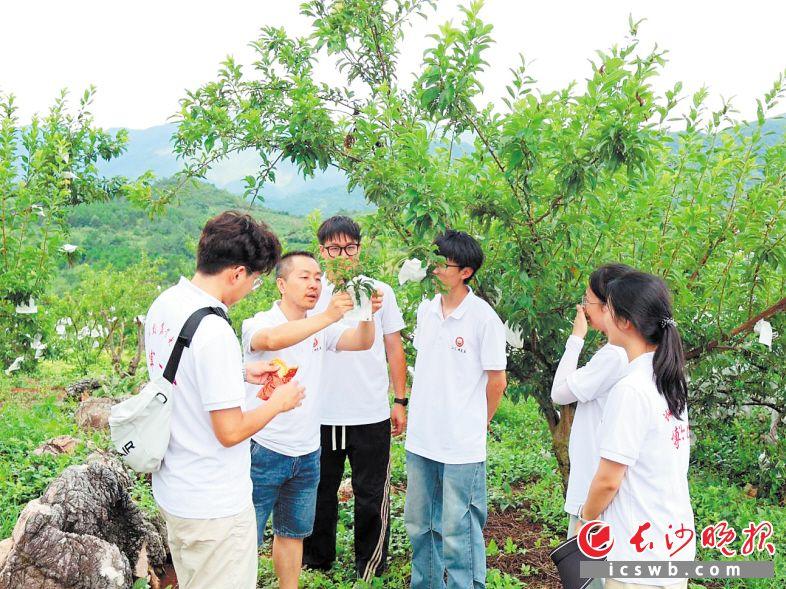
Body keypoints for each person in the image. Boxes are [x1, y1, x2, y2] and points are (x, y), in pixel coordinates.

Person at [144, 211, 305, 589]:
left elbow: (181, 375)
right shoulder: (214, 331)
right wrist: (278, 402)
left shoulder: (166, 304)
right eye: (254, 279)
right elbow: (230, 431)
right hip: (213, 505)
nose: (251, 288)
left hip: (175, 489)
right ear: (236, 273)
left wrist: (239, 373)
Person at [241, 251, 383, 589]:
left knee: (293, 534)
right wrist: (330, 315)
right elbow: (272, 340)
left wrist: (366, 314)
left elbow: (361, 342)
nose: (314, 284)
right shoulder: (259, 322)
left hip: (307, 452)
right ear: (281, 284)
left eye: (318, 278)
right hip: (264, 449)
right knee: (245, 537)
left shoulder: (321, 326)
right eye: (304, 277)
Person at [303, 216, 408, 581]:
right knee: (320, 491)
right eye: (334, 248)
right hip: (322, 412)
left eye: (349, 247)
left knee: (371, 494)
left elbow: (394, 347)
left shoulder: (379, 292)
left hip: (369, 411)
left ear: (359, 249)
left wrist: (400, 400)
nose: (342, 255)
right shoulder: (313, 295)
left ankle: (371, 567)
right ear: (322, 251)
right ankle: (317, 562)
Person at [404, 229, 507, 589]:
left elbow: (497, 382)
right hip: (421, 438)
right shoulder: (427, 309)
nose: (434, 269)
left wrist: (478, 422)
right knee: (419, 525)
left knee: (458, 529)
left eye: (443, 264)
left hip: (461, 444)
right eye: (433, 261)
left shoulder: (483, 318)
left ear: (465, 272)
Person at [579, 271, 695, 589]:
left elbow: (608, 480)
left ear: (625, 321)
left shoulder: (630, 389)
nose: (602, 314)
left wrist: (586, 520)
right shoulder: (669, 379)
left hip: (637, 555)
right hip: (672, 544)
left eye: (608, 308)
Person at [550, 264, 632, 569]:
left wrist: (576, 337)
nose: (584, 307)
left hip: (593, 491)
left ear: (609, 306)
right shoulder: (625, 354)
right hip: (604, 487)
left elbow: (559, 393)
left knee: (587, 575)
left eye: (588, 300)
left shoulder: (613, 356)